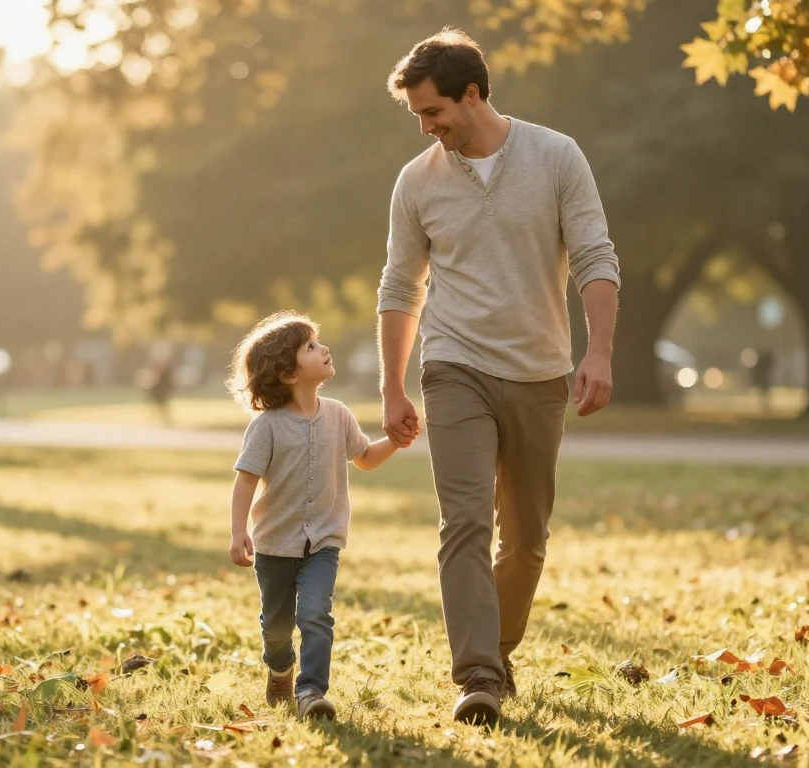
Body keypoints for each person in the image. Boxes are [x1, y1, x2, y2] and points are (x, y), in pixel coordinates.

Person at [377, 28, 622, 726]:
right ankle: (478, 675)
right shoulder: (416, 182)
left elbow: (596, 257)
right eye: (419, 117)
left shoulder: (555, 156)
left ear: (473, 93)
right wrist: (394, 385)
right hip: (453, 364)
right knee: (463, 523)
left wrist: (598, 352)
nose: (428, 128)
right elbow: (400, 286)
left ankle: (498, 650)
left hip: (540, 370)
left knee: (527, 537)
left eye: (434, 112)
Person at [226, 311, 400, 721]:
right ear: (288, 374)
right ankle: (280, 668)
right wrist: (237, 531)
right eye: (311, 346)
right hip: (274, 543)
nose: (324, 349)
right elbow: (246, 481)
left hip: (324, 540)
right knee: (277, 625)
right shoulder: (266, 427)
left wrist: (395, 438)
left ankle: (310, 692)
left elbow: (365, 459)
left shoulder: (338, 414)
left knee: (316, 613)